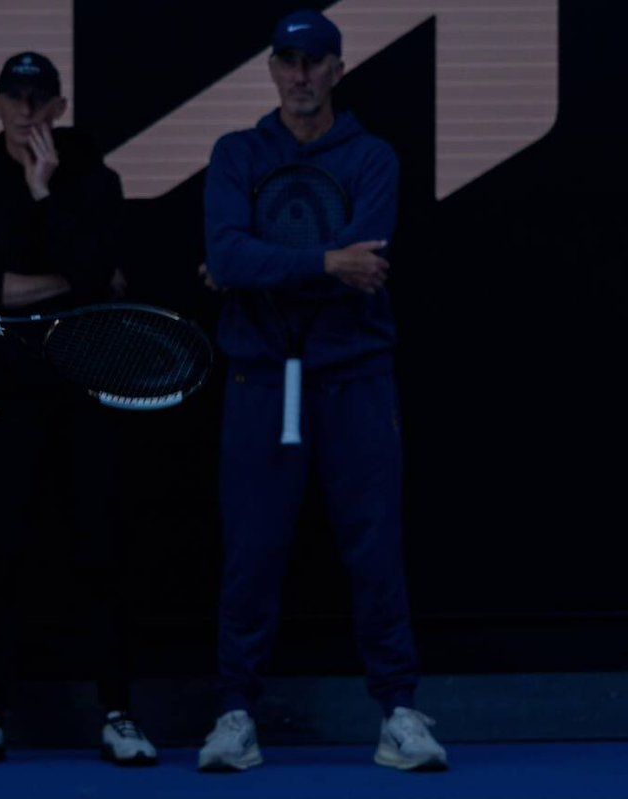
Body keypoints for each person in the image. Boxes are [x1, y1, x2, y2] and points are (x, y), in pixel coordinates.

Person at [197, 10, 448, 772]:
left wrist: (259, 267)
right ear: (272, 70)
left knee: (374, 550)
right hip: (260, 376)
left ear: (336, 70)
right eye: (287, 61)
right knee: (252, 552)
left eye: (314, 62)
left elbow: (359, 260)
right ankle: (234, 713)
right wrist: (323, 265)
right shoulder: (237, 152)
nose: (300, 74)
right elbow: (225, 254)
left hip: (355, 379)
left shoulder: (370, 157)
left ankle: (399, 712)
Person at [0, 51, 156, 766]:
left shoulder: (95, 181)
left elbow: (100, 278)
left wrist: (44, 192)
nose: (28, 111)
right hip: (4, 401)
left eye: (40, 99)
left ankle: (118, 710)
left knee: (102, 551)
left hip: (86, 392)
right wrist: (60, 283)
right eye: (15, 98)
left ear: (58, 107)